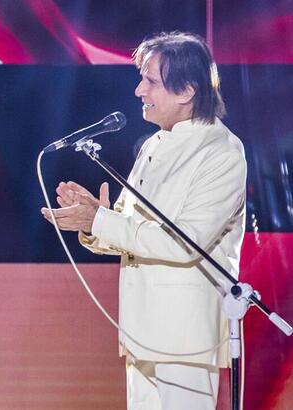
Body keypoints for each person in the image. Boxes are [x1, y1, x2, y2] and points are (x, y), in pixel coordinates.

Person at [42, 32, 246, 410]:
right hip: (141, 332)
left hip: (186, 339)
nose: (139, 91)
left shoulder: (221, 151)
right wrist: (92, 221)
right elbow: (129, 230)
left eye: (150, 81)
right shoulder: (155, 144)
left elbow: (185, 244)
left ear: (186, 90)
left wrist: (101, 220)